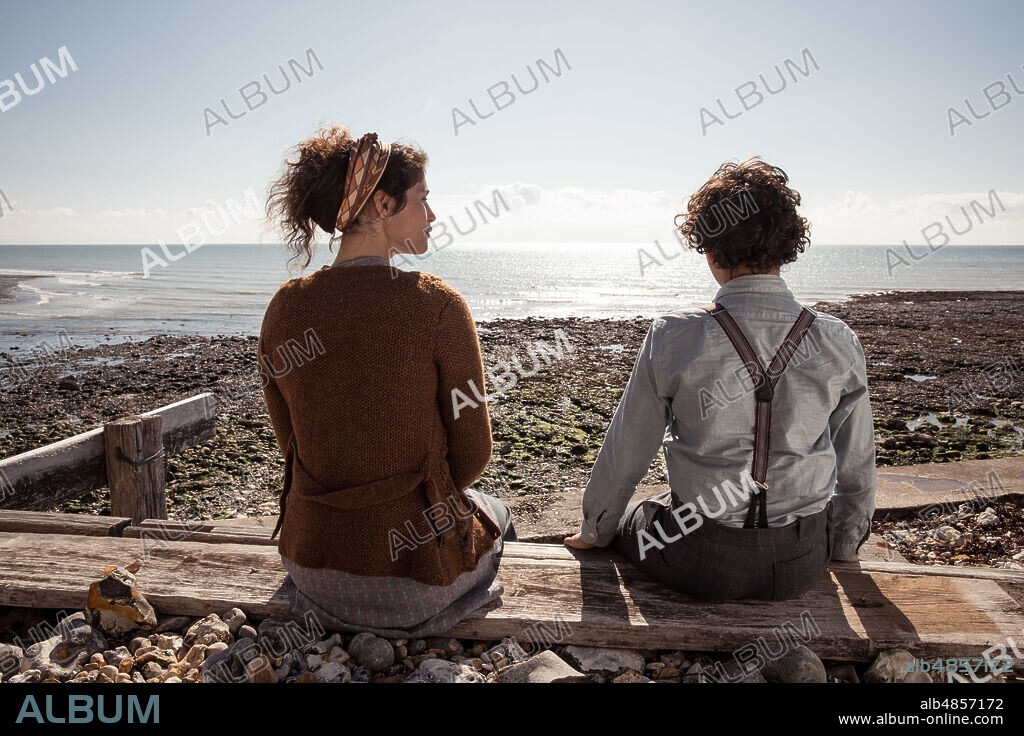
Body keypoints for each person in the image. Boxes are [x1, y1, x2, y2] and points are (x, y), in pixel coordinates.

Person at [565, 157, 875, 601]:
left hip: (698, 559)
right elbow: (857, 460)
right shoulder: (836, 339)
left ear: (709, 251)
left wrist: (596, 530)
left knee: (635, 516)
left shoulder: (674, 335)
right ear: (787, 247)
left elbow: (628, 449)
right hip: (801, 561)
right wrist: (844, 546)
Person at [259, 125, 516, 637]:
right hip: (415, 582)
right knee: (498, 511)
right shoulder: (437, 305)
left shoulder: (284, 308)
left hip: (313, 571)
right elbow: (473, 453)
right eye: (422, 198)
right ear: (380, 204)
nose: (433, 214)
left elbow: (292, 443)